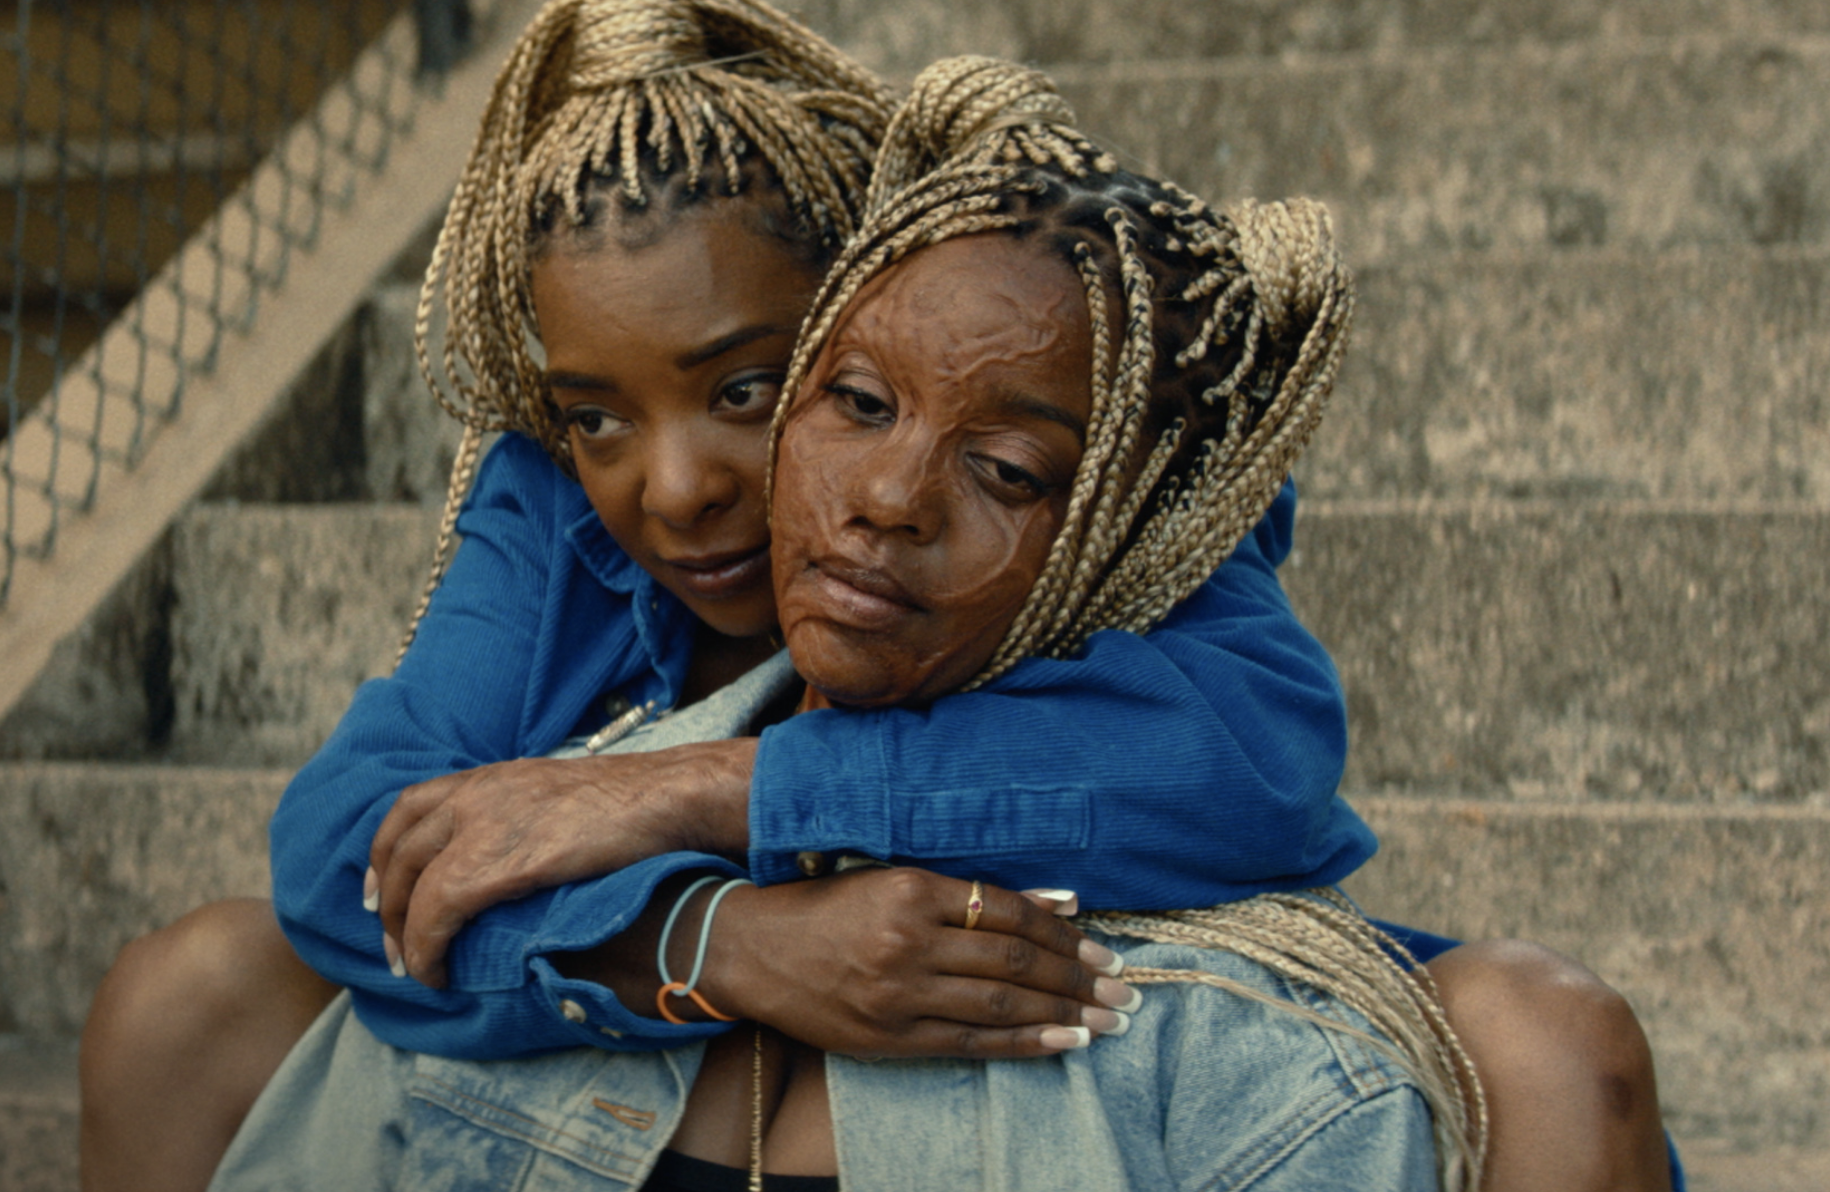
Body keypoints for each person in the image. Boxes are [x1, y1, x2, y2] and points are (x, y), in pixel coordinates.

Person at [82, 4, 1672, 1190]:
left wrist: (691, 799)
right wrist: (711, 939)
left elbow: (1240, 761)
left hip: (1065, 932)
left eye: (754, 387)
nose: (680, 484)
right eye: (598, 414)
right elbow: (354, 839)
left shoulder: (1092, 452)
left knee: (1539, 1033)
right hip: (666, 990)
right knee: (189, 985)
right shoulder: (554, 508)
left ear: (886, 280)